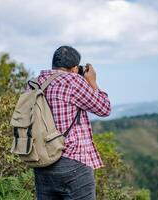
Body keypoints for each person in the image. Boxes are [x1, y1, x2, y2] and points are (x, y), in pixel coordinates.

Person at [31, 45, 111, 200]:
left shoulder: (35, 83)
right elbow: (104, 108)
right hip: (73, 161)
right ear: (75, 68)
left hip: (42, 162)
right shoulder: (73, 81)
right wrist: (92, 82)